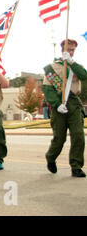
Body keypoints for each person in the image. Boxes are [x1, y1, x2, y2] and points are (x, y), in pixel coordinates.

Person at [42, 39, 87, 178]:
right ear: (62, 49)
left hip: (73, 103)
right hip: (59, 105)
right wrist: (57, 104)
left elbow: (84, 75)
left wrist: (71, 63)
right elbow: (47, 89)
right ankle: (50, 157)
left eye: (73, 50)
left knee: (78, 136)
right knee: (59, 139)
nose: (71, 52)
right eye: (69, 49)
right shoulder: (52, 68)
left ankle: (76, 166)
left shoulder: (75, 66)